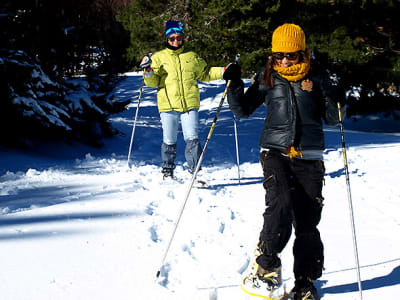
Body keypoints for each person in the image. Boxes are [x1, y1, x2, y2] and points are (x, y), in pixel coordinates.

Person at [223, 24, 345, 300]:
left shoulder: (317, 78)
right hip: (275, 153)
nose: (284, 61)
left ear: (303, 53)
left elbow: (334, 119)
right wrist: (234, 84)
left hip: (310, 158)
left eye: (291, 55)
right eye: (279, 56)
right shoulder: (268, 78)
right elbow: (242, 110)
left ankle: (304, 282)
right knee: (279, 205)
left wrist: (337, 95)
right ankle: (266, 266)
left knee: (307, 223)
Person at [140, 20, 225, 179]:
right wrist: (148, 70)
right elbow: (151, 82)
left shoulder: (191, 56)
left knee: (192, 138)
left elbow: (205, 73)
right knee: (169, 139)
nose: (176, 41)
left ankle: (195, 172)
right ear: (167, 39)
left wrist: (224, 71)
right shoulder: (158, 57)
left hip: (189, 104)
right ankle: (167, 171)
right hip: (168, 105)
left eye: (179, 37)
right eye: (172, 38)